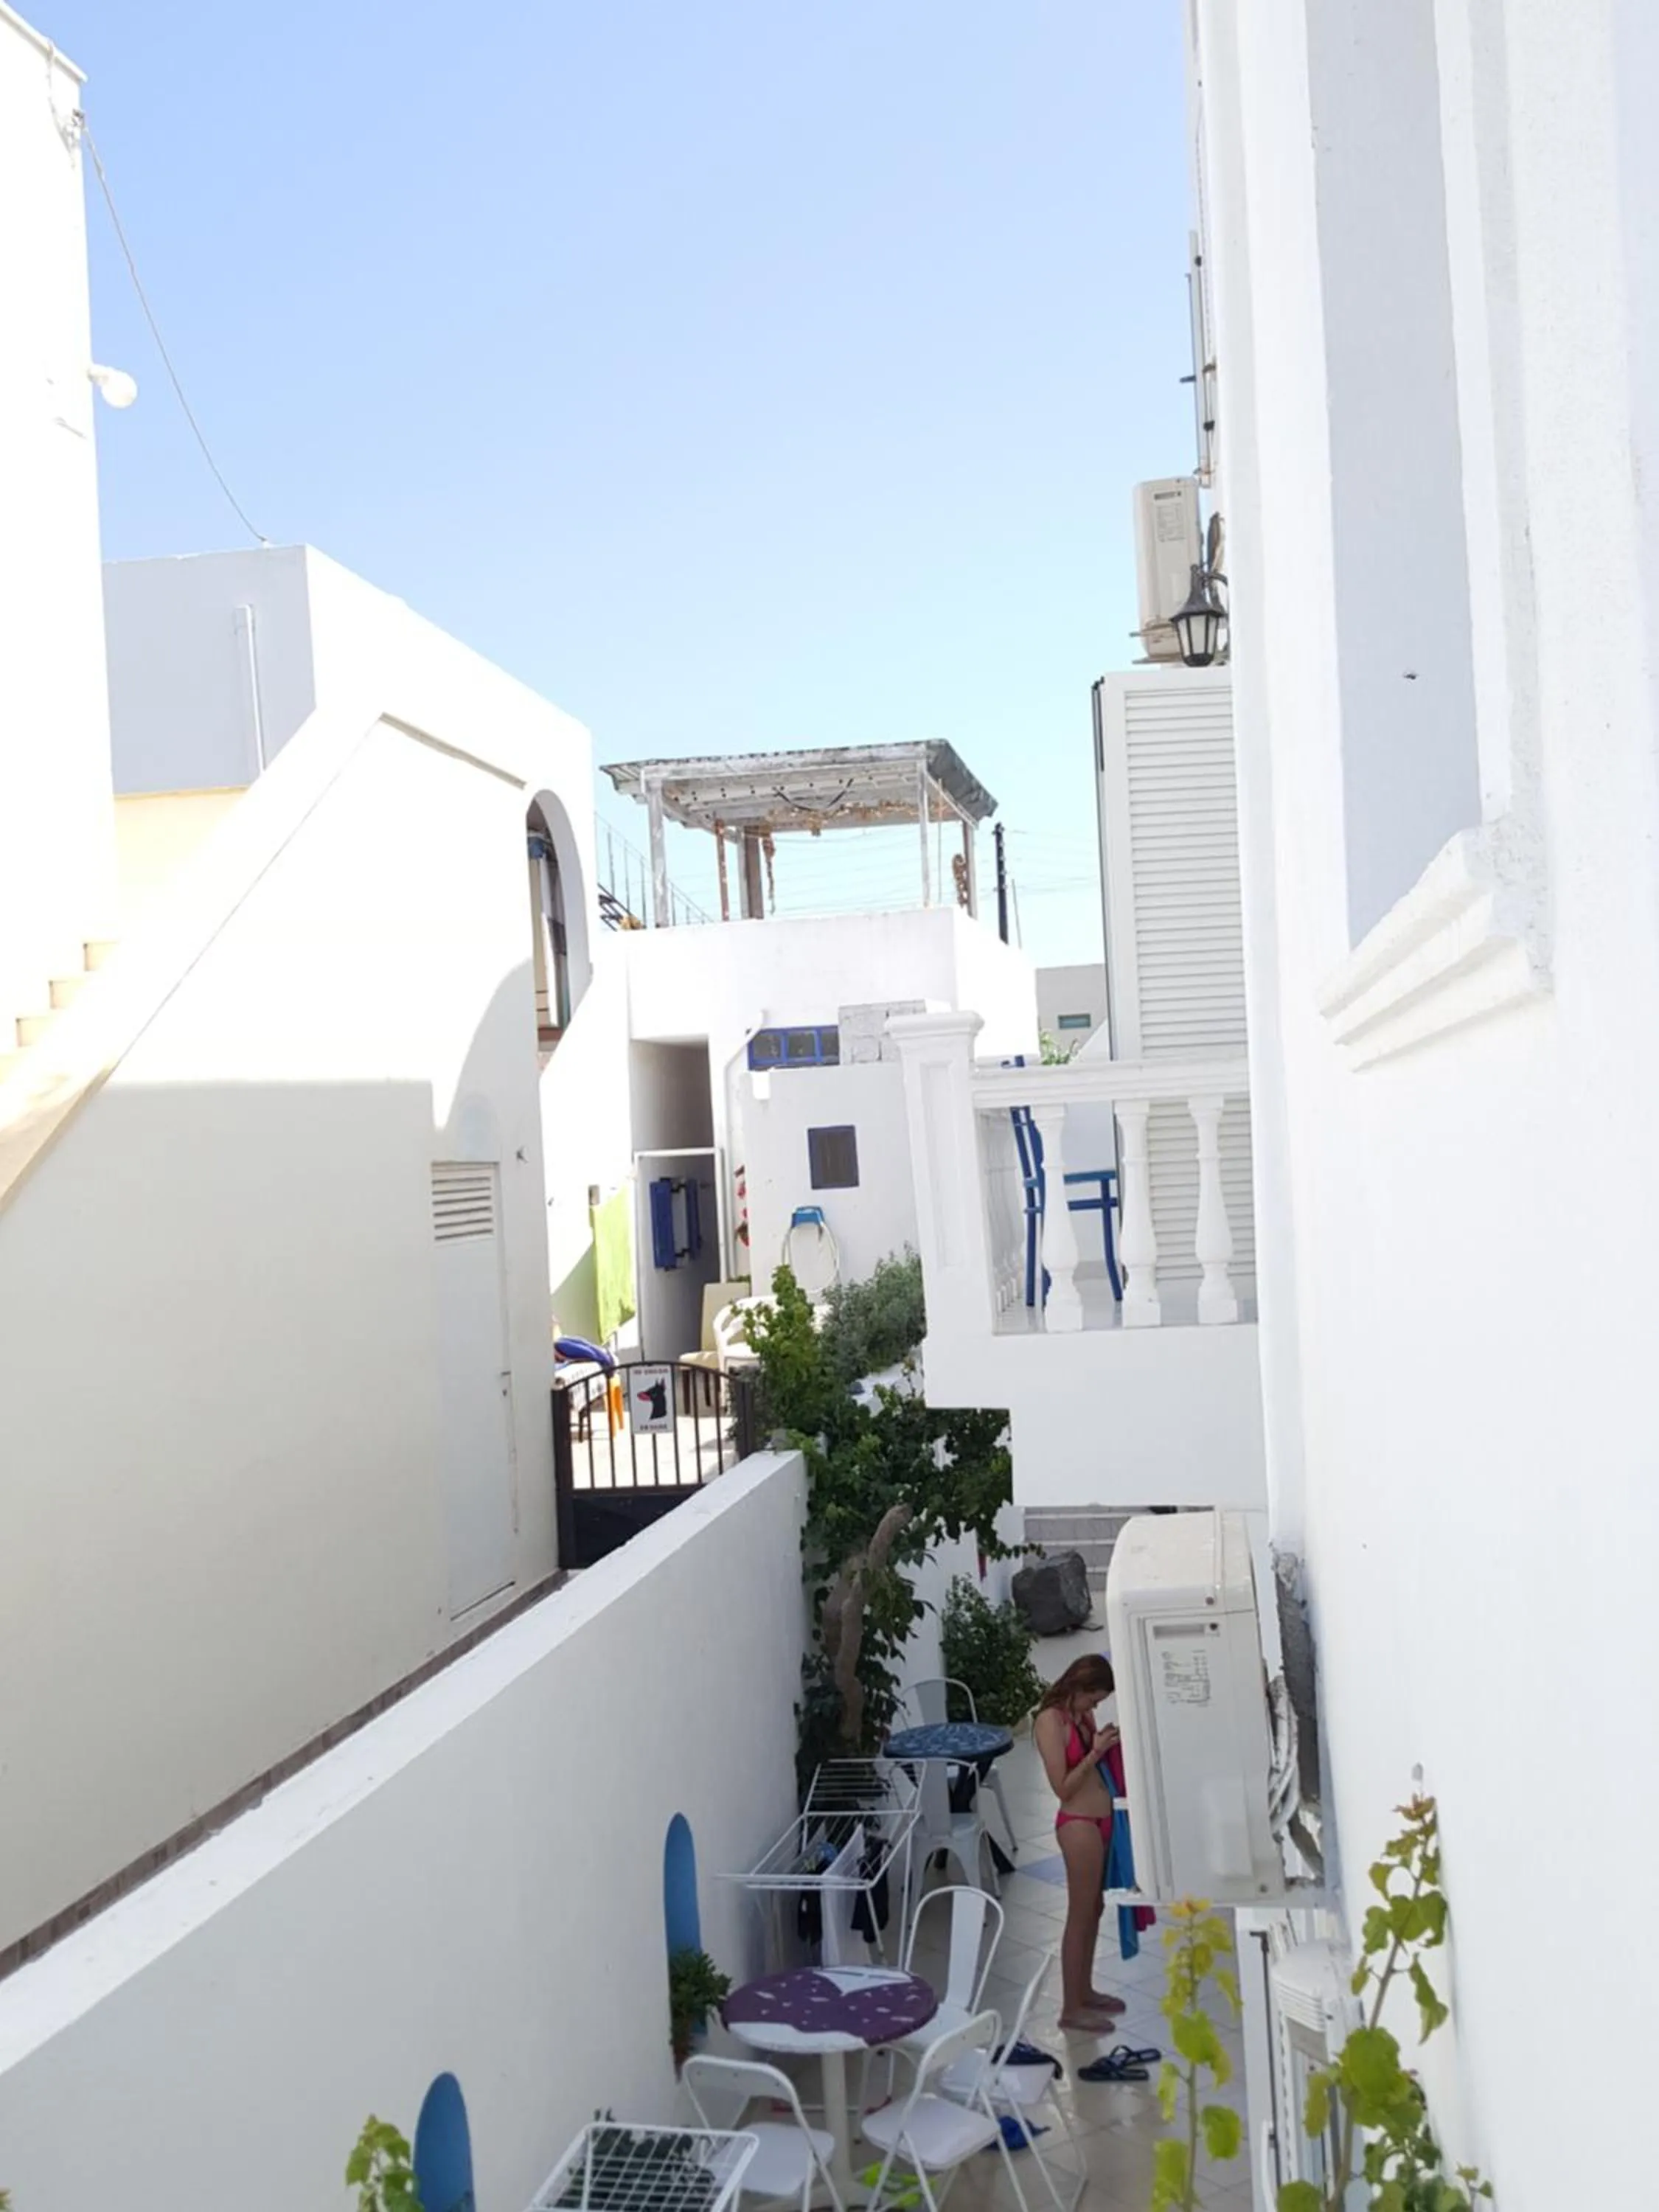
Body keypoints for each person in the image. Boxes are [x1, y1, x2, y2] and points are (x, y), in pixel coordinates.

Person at [1033, 1654, 1130, 2031]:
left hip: (1103, 1821)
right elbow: (1063, 1788)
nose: (1096, 1706)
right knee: (1079, 1914)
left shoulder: (1082, 1717)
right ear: (1079, 1688)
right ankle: (1070, 2008)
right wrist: (1095, 1752)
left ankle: (1084, 1991)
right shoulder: (1049, 1722)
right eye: (1094, 1698)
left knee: (1095, 1909)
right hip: (1078, 1825)